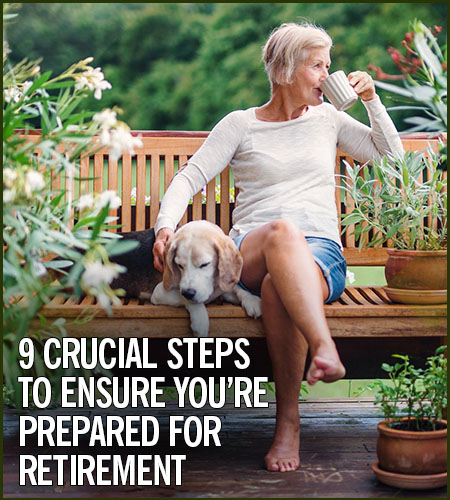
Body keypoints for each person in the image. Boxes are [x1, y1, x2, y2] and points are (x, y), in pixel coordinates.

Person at [153, 22, 403, 472]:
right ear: (286, 69)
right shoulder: (240, 125)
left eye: (329, 66)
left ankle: (288, 423)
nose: (328, 76)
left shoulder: (329, 119)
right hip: (250, 248)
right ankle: (324, 348)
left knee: (275, 289)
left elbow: (391, 161)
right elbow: (189, 177)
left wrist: (371, 100)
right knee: (282, 233)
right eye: (317, 66)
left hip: (319, 251)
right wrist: (164, 228)